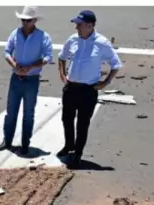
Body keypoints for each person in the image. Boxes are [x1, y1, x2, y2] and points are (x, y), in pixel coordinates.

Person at [56, 10, 123, 169]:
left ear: (90, 25)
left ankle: (78, 153)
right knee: (67, 119)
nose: (76, 28)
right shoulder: (72, 40)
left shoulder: (102, 43)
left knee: (83, 123)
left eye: (79, 24)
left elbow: (116, 64)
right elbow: (61, 57)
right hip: (71, 88)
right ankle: (69, 146)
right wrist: (62, 73)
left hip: (88, 90)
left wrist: (105, 82)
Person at [0, 6, 53, 155]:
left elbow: (48, 56)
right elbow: (7, 52)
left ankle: (25, 143)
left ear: (34, 20)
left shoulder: (43, 36)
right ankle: (7, 140)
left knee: (28, 113)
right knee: (11, 112)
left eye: (28, 20)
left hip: (32, 79)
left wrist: (31, 67)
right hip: (16, 78)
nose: (24, 22)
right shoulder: (15, 34)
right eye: (23, 20)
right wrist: (15, 65)